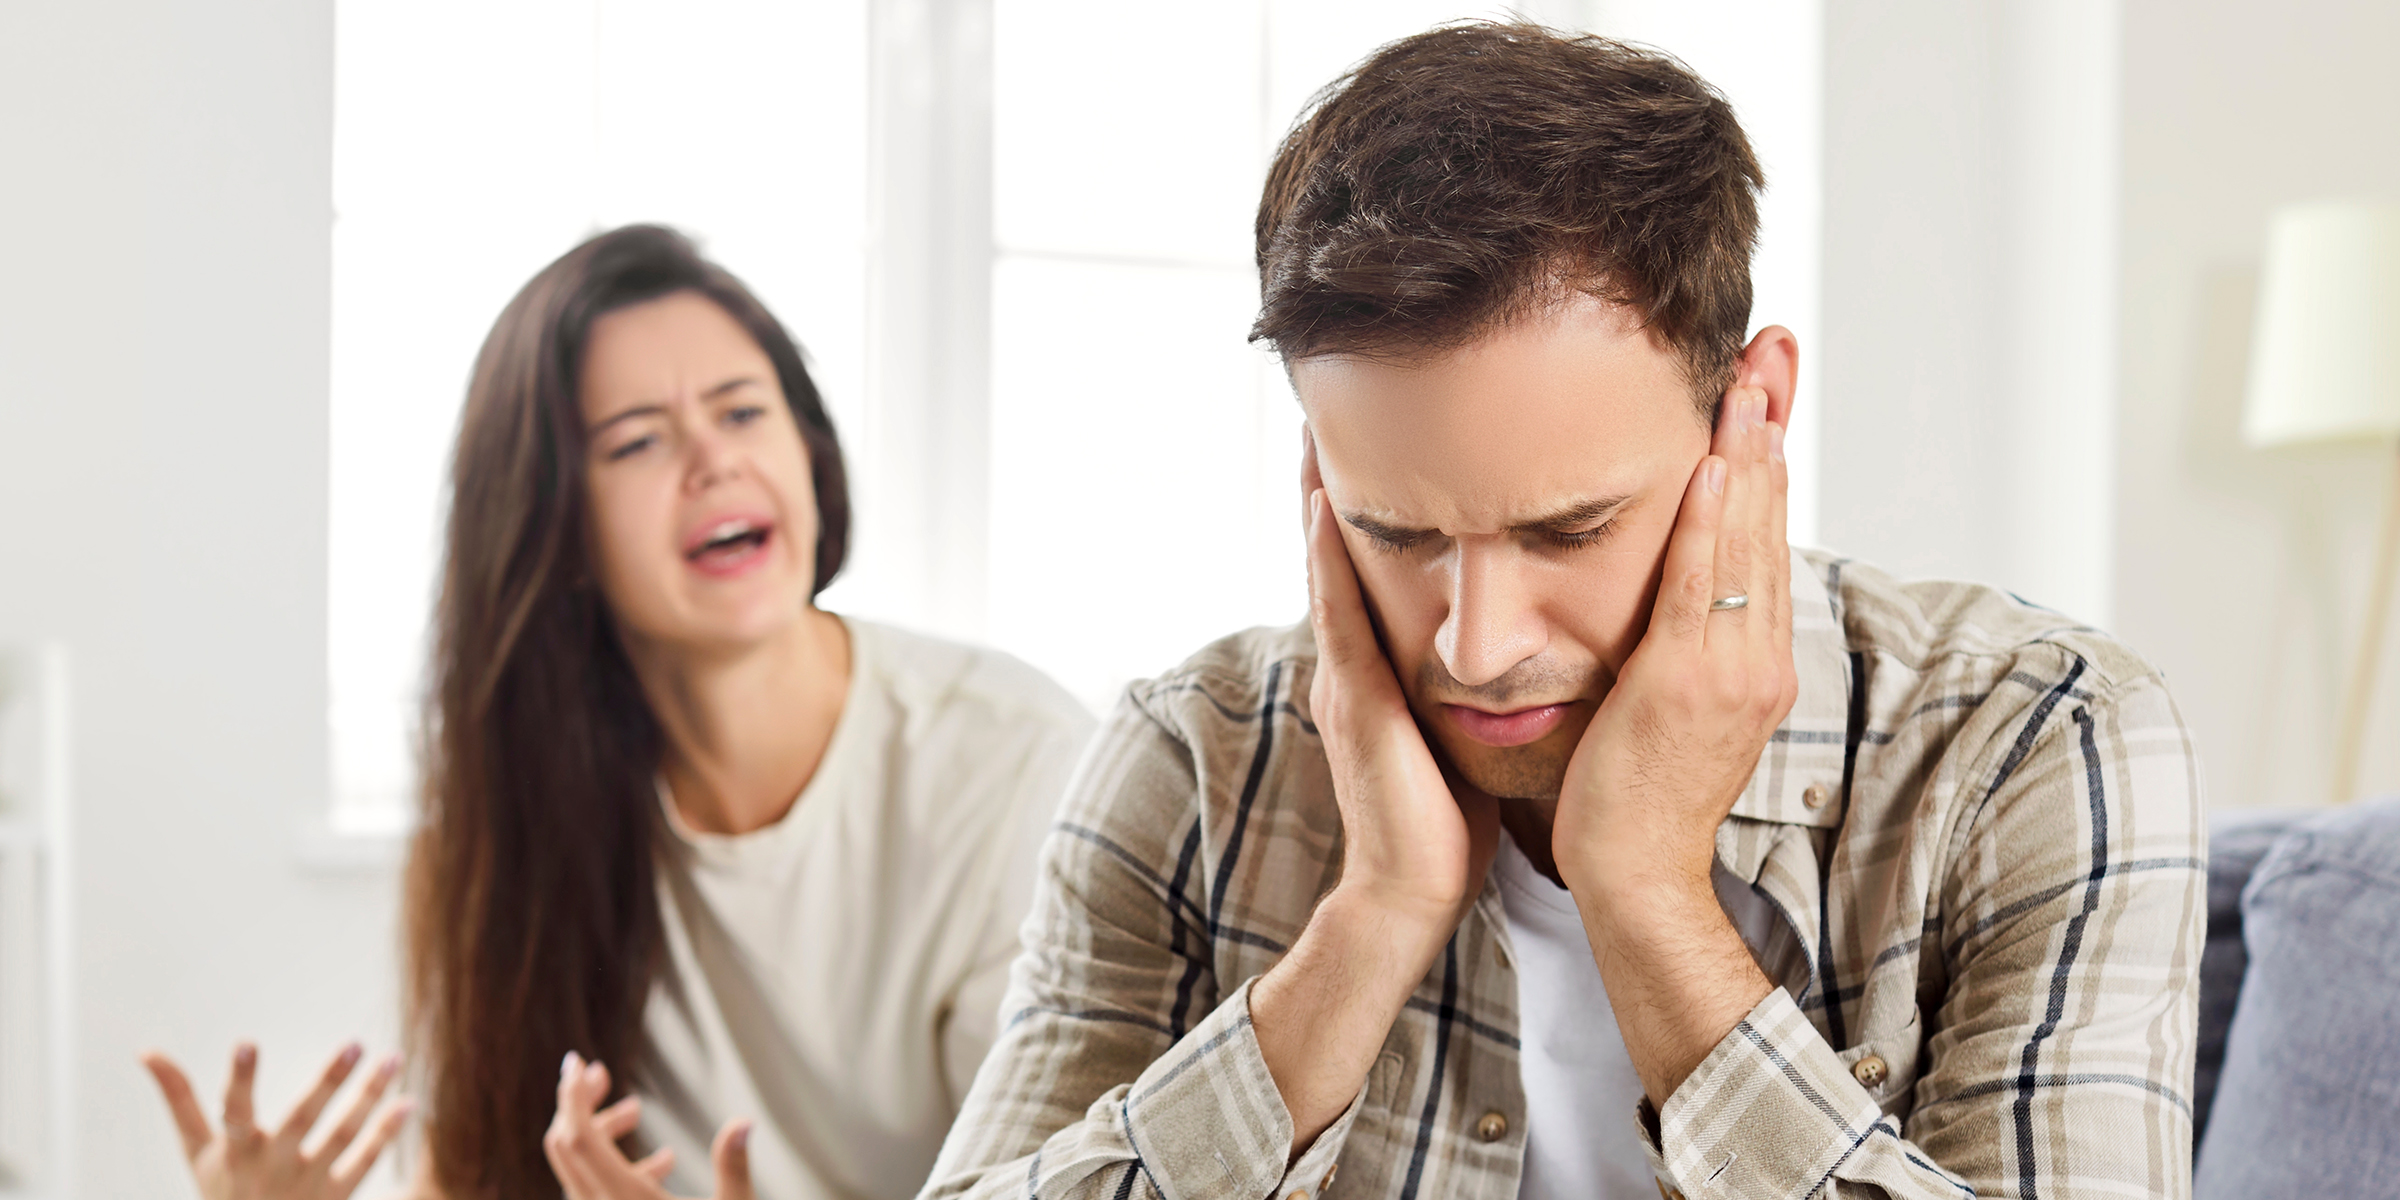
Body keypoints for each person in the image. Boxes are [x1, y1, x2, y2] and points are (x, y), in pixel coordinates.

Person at [923, 23, 2204, 1200]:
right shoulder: (1192, 754)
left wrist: (1646, 893)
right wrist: (1367, 926)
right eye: (1397, 532)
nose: (1477, 647)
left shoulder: (2038, 741)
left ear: (1750, 413)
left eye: (1569, 531)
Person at [140, 225, 1093, 1200]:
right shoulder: (527, 795)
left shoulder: (1023, 767)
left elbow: (1081, 1181)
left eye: (742, 411)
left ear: (808, 453)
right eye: (637, 440)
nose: (712, 460)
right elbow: (475, 1176)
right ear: (555, 530)